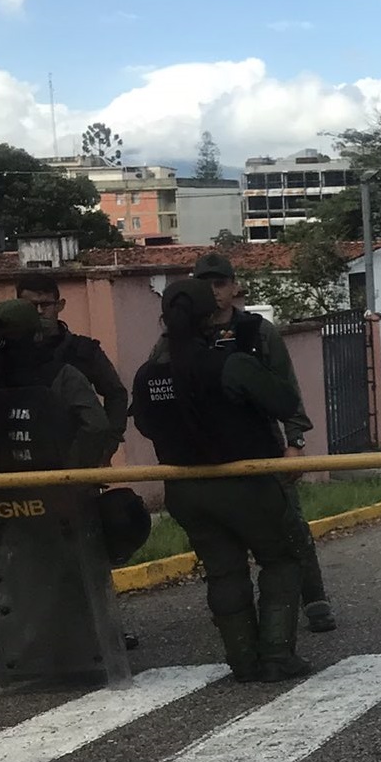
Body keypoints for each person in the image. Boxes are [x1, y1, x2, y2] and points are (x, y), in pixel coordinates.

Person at [133, 280, 309, 683]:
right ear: (211, 316)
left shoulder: (148, 374)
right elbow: (283, 400)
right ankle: (277, 656)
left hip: (184, 490)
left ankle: (243, 661)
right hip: (245, 484)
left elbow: (143, 423)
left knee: (223, 570)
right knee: (282, 558)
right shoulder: (229, 363)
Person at [187, 252, 338, 634]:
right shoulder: (184, 334)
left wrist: (295, 441)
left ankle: (314, 598)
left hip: (262, 442)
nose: (213, 292)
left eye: (220, 283)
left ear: (234, 286)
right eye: (204, 285)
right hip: (208, 449)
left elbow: (287, 387)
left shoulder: (257, 331)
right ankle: (238, 616)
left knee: (290, 524)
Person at [15, 272, 128, 455]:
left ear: (59, 306)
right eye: (31, 305)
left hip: (76, 456)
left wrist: (108, 444)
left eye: (45, 304)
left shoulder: (84, 350)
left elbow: (116, 394)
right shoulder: (8, 352)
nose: (39, 311)